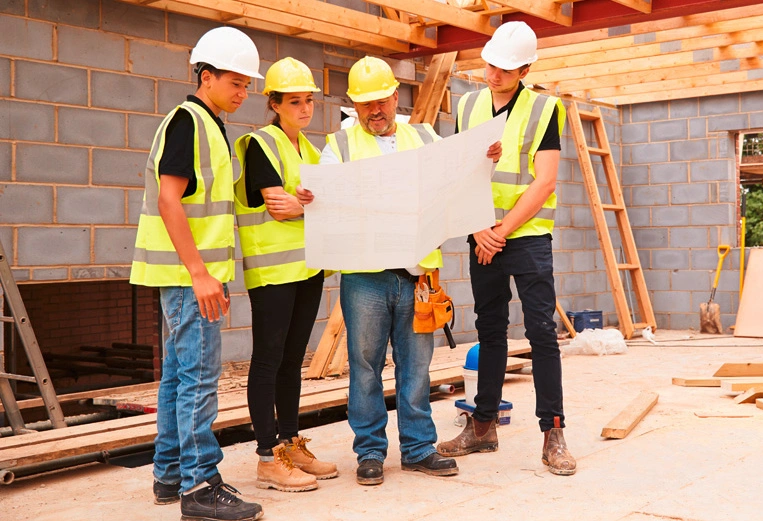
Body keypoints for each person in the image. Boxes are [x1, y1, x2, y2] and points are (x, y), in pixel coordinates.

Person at [299, 56, 500, 486]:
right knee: (365, 367)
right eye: (366, 103)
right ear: (354, 103)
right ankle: (370, 452)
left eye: (382, 101)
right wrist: (311, 194)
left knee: (416, 368)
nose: (375, 110)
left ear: (395, 96)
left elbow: (458, 182)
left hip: (418, 275)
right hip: (365, 277)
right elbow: (326, 195)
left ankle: (418, 448)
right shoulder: (340, 147)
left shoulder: (425, 136)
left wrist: (487, 161)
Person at [130, 27, 264, 520]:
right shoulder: (188, 121)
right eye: (236, 82)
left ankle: (169, 476)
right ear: (206, 77)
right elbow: (170, 200)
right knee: (199, 381)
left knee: (179, 378)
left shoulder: (208, 123)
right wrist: (200, 273)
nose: (243, 92)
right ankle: (200, 486)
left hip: (194, 275)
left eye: (247, 85)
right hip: (192, 278)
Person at [436, 21, 576, 476]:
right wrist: (480, 230)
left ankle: (552, 432)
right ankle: (483, 426)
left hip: (527, 235)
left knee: (539, 333)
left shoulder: (545, 109)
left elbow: (546, 179)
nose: (494, 74)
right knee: (490, 330)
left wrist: (501, 229)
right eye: (491, 64)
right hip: (484, 236)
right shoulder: (468, 104)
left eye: (506, 69)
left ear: (526, 69)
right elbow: (460, 173)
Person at [233, 57, 339, 493]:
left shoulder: (310, 150)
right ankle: (265, 458)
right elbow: (278, 206)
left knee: (293, 361)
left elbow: (325, 204)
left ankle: (290, 443)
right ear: (273, 103)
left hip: (307, 268)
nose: (304, 108)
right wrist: (313, 204)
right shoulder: (260, 144)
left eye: (309, 100)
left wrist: (310, 204)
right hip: (273, 271)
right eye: (294, 101)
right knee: (268, 359)